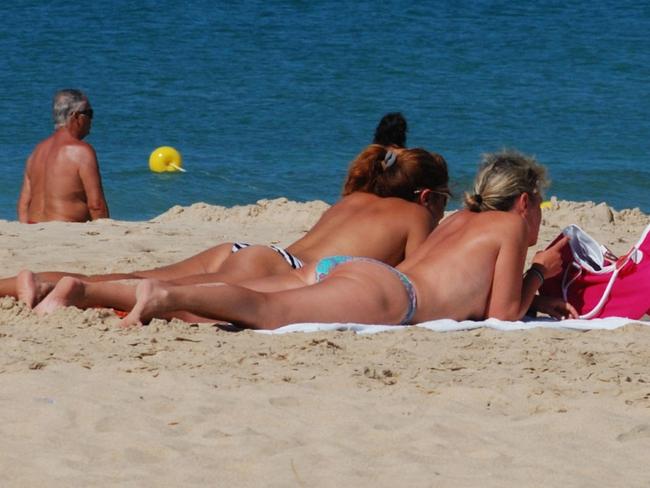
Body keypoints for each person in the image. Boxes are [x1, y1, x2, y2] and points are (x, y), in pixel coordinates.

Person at [34, 149, 575, 327]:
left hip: (355, 271)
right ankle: (163, 298)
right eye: (539, 206)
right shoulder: (508, 227)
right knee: (262, 310)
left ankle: (82, 290)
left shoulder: (460, 217)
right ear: (524, 202)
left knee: (262, 301)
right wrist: (538, 273)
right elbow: (502, 316)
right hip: (390, 294)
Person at [10, 144, 451, 309]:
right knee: (170, 300)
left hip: (253, 251)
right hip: (280, 268)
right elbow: (414, 283)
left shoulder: (356, 198)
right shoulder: (415, 217)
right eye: (444, 200)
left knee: (143, 277)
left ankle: (18, 283)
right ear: (427, 197)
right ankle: (77, 295)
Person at [17, 89, 109, 223]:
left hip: (33, 227)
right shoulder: (81, 151)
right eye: (89, 113)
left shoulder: (37, 151)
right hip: (66, 227)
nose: (91, 120)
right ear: (76, 116)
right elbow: (96, 206)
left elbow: (23, 206)